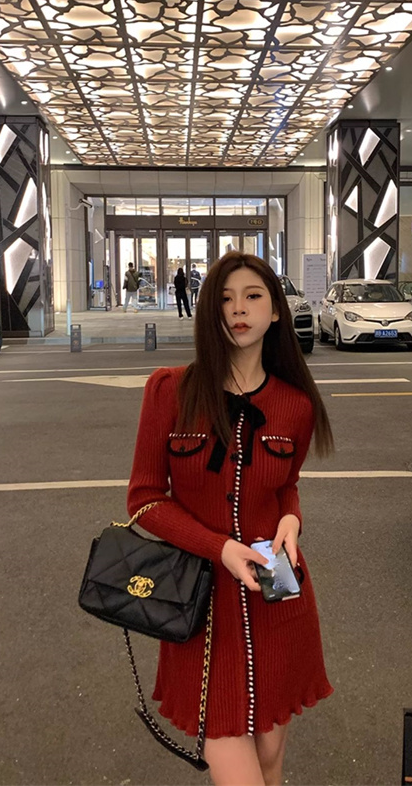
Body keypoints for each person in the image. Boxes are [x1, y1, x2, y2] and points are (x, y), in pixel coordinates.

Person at [127, 251, 334, 786]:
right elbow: (144, 498)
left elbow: (286, 486)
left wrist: (292, 522)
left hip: (278, 590)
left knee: (270, 763)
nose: (238, 309)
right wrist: (217, 546)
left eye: (252, 296)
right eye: (224, 298)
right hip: (200, 603)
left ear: (276, 311)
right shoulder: (170, 391)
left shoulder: (296, 405)